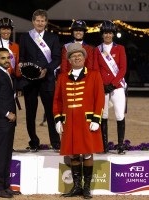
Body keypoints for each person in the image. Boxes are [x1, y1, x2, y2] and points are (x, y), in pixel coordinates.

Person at [53, 43, 104, 199]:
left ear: (84, 58)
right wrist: (58, 120)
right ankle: (76, 187)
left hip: (87, 122)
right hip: (70, 123)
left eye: (79, 55)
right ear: (69, 59)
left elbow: (100, 98)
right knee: (73, 153)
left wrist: (96, 118)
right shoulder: (62, 77)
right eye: (73, 56)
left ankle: (87, 188)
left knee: (87, 153)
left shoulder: (94, 75)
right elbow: (57, 101)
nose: (76, 58)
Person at [19, 9, 61, 151]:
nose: (40, 23)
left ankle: (55, 142)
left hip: (47, 79)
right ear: (33, 22)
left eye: (42, 21)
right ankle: (34, 141)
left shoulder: (53, 38)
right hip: (29, 81)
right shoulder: (25, 37)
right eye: (37, 20)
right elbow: (22, 58)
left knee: (51, 112)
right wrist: (24, 67)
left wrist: (47, 70)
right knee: (30, 113)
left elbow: (56, 58)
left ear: (46, 22)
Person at [0, 48, 21, 198]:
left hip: (8, 122)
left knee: (7, 154)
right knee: (0, 155)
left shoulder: (8, 74)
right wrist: (7, 114)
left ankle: (5, 186)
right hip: (2, 121)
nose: (6, 60)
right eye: (3, 58)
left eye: (8, 57)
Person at [93, 20, 127, 154]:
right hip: (103, 87)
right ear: (102, 35)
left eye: (110, 33)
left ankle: (120, 145)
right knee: (104, 115)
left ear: (113, 34)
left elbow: (123, 69)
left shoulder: (120, 48)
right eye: (105, 33)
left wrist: (112, 84)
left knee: (119, 114)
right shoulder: (97, 50)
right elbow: (96, 69)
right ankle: (104, 145)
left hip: (117, 86)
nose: (108, 35)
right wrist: (102, 85)